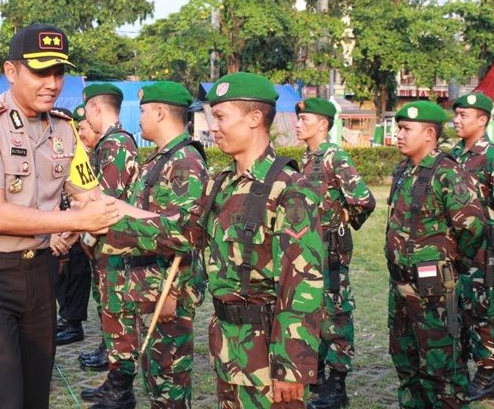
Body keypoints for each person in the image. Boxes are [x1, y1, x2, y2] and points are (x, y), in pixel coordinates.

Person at [101, 72, 325, 408]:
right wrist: (107, 222)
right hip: (229, 346)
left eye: (220, 117)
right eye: (211, 116)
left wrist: (293, 367)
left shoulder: (289, 189)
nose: (212, 126)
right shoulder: (223, 185)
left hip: (269, 352)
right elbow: (183, 234)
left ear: (254, 118)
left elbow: (302, 287)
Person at [0, 23, 119, 409]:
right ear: (11, 71)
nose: (52, 83)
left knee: (35, 397)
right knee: (2, 399)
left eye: (59, 72)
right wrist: (75, 222)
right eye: (40, 71)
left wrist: (154, 219)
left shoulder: (63, 129)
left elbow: (90, 195)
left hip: (37, 275)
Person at [83, 81, 208, 408]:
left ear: (160, 112)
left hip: (167, 292)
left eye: (142, 111)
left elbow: (185, 233)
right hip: (150, 287)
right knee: (156, 381)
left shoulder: (185, 162)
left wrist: (171, 293)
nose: (138, 118)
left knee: (170, 386)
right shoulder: (160, 160)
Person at [386, 100, 487, 408]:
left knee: (442, 371)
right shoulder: (403, 170)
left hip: (434, 293)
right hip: (401, 288)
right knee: (407, 366)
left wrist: (451, 263)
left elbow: (473, 227)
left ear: (429, 134)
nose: (399, 134)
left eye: (406, 129)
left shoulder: (447, 173)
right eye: (398, 128)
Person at [294, 98, 376, 409]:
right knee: (312, 311)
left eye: (306, 119)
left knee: (336, 314)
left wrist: (345, 222)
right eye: (298, 118)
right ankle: (316, 377)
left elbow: (364, 200)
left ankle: (337, 383)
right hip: (310, 250)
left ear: (324, 124)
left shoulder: (334, 157)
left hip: (330, 251)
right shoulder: (308, 158)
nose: (299, 124)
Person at [78, 83, 139, 374]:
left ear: (96, 108)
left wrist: (86, 236)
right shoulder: (109, 142)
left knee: (116, 306)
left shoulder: (116, 143)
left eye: (87, 110)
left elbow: (107, 196)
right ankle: (108, 351)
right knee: (105, 301)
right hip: (105, 240)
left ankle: (118, 369)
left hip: (114, 240)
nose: (85, 118)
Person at [451, 92, 494, 401]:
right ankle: (461, 369)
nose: (456, 120)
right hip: (456, 250)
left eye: (463, 115)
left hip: (485, 251)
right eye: (455, 114)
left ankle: (485, 376)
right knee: (458, 310)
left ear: (482, 120)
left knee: (484, 312)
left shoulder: (493, 156)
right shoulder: (453, 154)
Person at [53, 104, 93, 346]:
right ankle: (66, 317)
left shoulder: (78, 152)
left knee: (75, 274)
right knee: (62, 277)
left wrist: (73, 228)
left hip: (75, 226)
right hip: (58, 225)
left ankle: (73, 323)